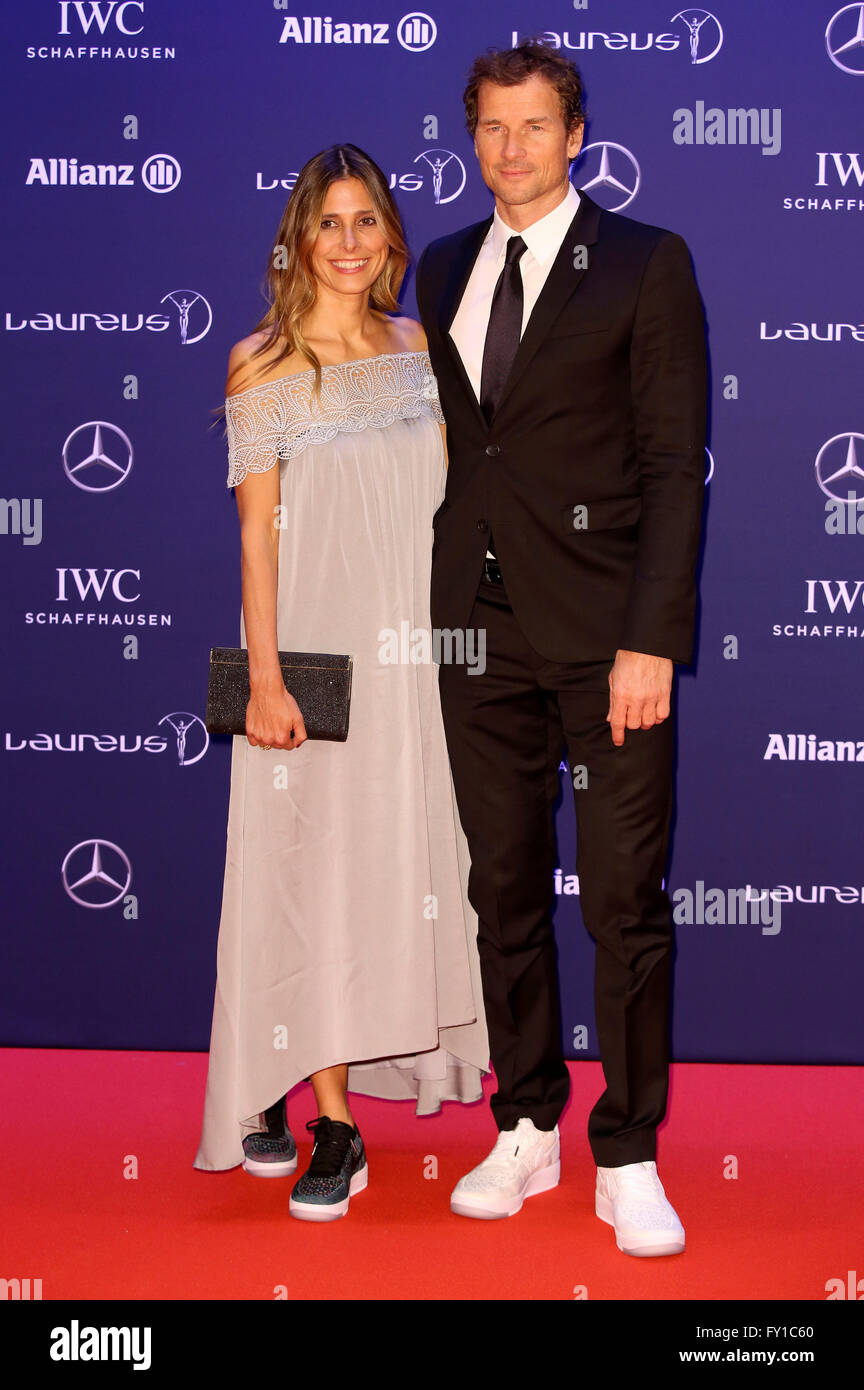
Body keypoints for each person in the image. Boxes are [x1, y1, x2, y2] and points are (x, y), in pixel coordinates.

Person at [415, 41, 707, 1254]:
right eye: (492, 127)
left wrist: (652, 640)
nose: (512, 149)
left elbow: (672, 470)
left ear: (576, 134)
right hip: (474, 635)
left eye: (535, 127)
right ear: (471, 135)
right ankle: (526, 1122)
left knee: (625, 904)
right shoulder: (438, 268)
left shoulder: (646, 262)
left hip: (604, 642)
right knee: (501, 891)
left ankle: (628, 1149)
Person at [193, 144, 489, 1221]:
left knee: (396, 869)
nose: (351, 243)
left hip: (417, 672)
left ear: (391, 239)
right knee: (309, 878)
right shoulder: (261, 362)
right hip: (315, 665)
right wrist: (266, 679)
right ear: (298, 240)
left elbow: (462, 511)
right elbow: (257, 542)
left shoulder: (421, 352)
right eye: (331, 223)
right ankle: (336, 1123)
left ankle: (322, 1085)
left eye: (369, 222)